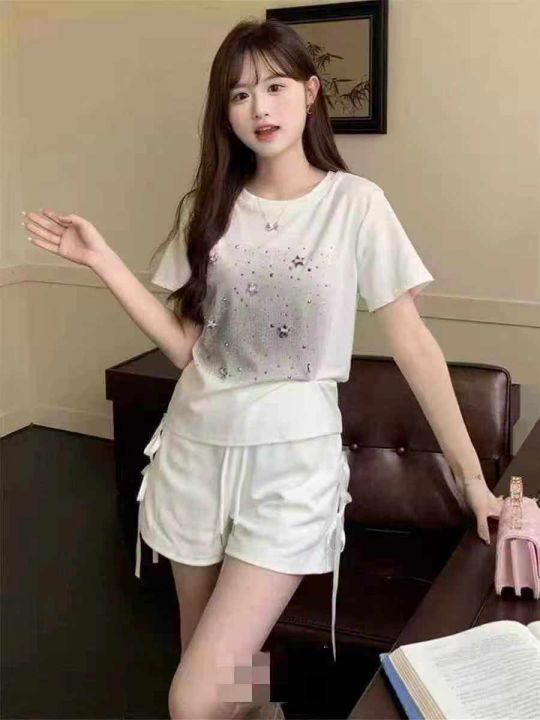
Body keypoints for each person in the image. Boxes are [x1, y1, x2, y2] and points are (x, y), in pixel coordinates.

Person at [22, 17, 450, 720]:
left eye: (275, 87)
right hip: (192, 453)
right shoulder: (209, 208)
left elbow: (416, 346)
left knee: (193, 700)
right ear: (225, 112)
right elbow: (189, 349)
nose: (260, 107)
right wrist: (101, 260)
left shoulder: (355, 205)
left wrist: (473, 482)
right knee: (225, 682)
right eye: (240, 94)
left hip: (290, 466)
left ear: (311, 92)